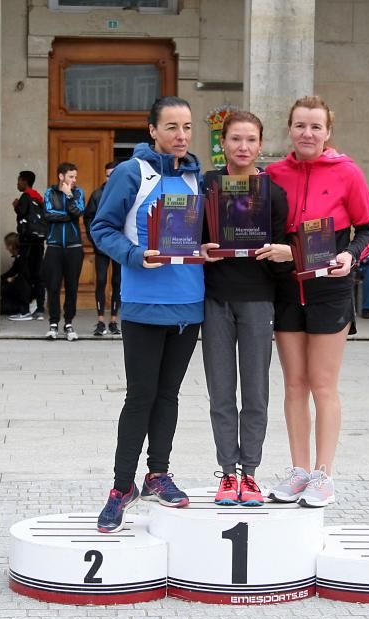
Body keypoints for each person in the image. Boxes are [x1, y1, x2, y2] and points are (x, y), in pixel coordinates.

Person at [90, 96, 204, 532]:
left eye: (187, 127)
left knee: (169, 394)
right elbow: (101, 228)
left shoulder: (197, 177)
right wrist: (136, 255)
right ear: (152, 130)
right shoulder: (132, 172)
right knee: (140, 395)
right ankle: (122, 487)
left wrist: (207, 248)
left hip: (188, 303)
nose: (180, 136)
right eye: (171, 127)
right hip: (143, 304)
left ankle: (158, 474)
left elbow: (202, 236)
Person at [265, 95, 369, 508]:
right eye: (299, 126)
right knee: (294, 384)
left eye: (315, 126)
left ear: (328, 132)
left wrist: (352, 255)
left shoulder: (347, 172)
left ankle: (324, 474)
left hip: (329, 290)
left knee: (323, 384)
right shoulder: (274, 174)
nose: (307, 133)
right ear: (289, 130)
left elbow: (368, 230)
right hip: (286, 289)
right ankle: (298, 471)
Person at [201, 110, 291, 506]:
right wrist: (199, 249)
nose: (243, 147)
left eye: (250, 139)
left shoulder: (273, 192)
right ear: (223, 144)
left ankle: (250, 473)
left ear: (260, 144)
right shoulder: (208, 185)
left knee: (255, 391)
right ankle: (226, 473)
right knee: (221, 392)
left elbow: (288, 246)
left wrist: (281, 252)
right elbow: (190, 236)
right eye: (235, 139)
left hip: (258, 300)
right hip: (215, 299)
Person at [42, 162, 85, 341]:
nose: (74, 180)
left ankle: (68, 323)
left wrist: (69, 196)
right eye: (71, 177)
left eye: (75, 177)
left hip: (74, 247)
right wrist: (67, 215)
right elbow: (48, 214)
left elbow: (78, 211)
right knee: (53, 286)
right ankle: (53, 323)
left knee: (72, 286)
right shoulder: (49, 193)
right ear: (61, 176)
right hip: (54, 246)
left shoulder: (77, 193)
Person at [84, 160, 123, 336]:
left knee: (117, 282)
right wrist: (95, 240)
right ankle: (100, 320)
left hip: (119, 245)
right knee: (100, 281)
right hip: (102, 246)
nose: (111, 178)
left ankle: (114, 319)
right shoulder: (97, 194)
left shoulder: (125, 192)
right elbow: (88, 218)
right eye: (108, 175)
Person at [10, 170, 46, 321]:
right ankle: (39, 309)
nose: (17, 183)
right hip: (39, 242)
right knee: (38, 276)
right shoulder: (38, 197)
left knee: (24, 276)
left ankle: (24, 310)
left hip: (27, 242)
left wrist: (16, 207)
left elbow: (22, 213)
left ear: (25, 181)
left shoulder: (25, 197)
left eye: (19, 180)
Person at [0, 231, 31, 316]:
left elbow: (22, 275)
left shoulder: (23, 259)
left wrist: (11, 279)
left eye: (7, 245)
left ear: (11, 246)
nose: (6, 248)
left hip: (22, 293)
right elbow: (11, 272)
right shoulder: (19, 258)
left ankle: (22, 309)